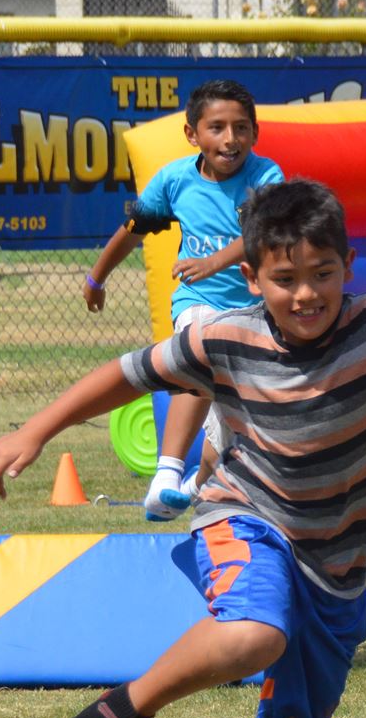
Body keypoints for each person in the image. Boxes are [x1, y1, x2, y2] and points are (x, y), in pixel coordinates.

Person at [0, 179, 366, 718]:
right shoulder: (224, 336)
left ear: (348, 267)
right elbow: (128, 375)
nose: (305, 294)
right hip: (246, 515)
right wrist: (36, 430)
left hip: (337, 564)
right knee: (253, 633)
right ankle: (126, 705)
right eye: (284, 279)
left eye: (322, 274)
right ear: (251, 277)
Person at [82, 79, 285, 520]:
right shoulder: (175, 180)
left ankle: (195, 486)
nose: (230, 139)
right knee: (200, 352)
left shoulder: (266, 177)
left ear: (254, 133)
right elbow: (133, 230)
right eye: (217, 128)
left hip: (254, 312)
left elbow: (261, 233)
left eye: (241, 128)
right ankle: (167, 474)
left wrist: (215, 259)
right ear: (193, 134)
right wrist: (96, 277)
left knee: (237, 413)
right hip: (198, 301)